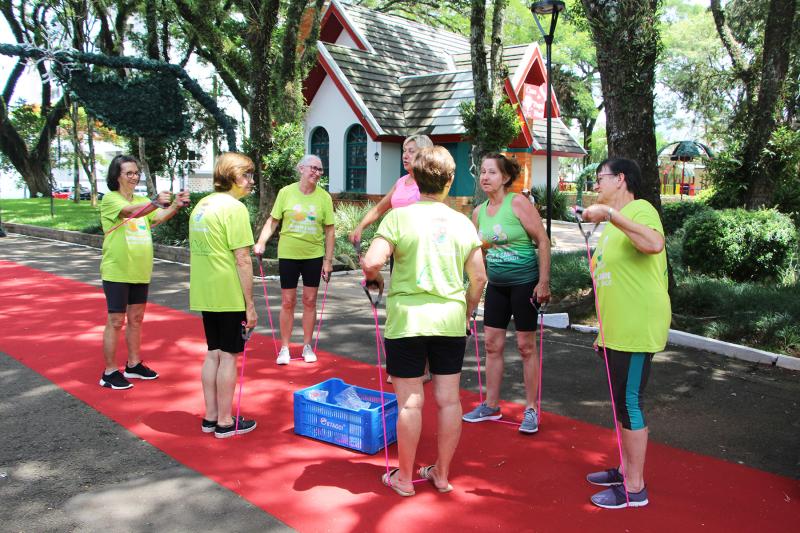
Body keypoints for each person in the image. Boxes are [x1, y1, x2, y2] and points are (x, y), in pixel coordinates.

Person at [362, 146, 487, 496]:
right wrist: (468, 310)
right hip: (449, 321)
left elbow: (372, 261)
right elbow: (478, 277)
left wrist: (376, 278)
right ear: (449, 181)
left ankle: (404, 478)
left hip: (408, 321)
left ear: (415, 179)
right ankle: (442, 474)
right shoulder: (462, 222)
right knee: (449, 400)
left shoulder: (400, 217)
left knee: (410, 402)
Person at [578, 158, 671, 509]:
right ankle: (624, 468)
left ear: (620, 179)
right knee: (621, 402)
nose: (596, 185)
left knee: (630, 403)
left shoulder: (640, 209)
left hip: (637, 327)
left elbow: (654, 244)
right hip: (617, 330)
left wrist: (611, 215)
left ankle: (635, 487)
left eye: (600, 178)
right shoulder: (614, 227)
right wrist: (603, 333)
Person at [462, 153, 551, 434]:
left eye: (492, 172)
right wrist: (473, 292)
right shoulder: (478, 212)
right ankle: (490, 405)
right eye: (483, 172)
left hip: (525, 284)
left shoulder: (518, 203)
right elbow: (478, 254)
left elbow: (543, 241)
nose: (485, 177)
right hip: (497, 287)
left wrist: (544, 282)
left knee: (526, 347)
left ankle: (531, 410)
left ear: (505, 178)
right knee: (492, 345)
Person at [349, 134, 434, 383]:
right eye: (404, 151)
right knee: (399, 306)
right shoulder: (402, 182)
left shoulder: (429, 185)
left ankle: (425, 367)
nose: (405, 155)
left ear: (424, 154)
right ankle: (405, 364)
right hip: (398, 251)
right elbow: (379, 208)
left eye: (411, 151)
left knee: (419, 306)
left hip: (421, 252)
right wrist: (359, 226)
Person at [99, 155, 189, 390]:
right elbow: (131, 212)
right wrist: (155, 202)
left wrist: (175, 205)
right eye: (129, 173)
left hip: (140, 270)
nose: (134, 176)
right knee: (116, 320)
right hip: (117, 270)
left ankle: (134, 364)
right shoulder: (111, 199)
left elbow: (156, 218)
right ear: (117, 176)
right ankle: (109, 372)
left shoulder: (141, 199)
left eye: (136, 172)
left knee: (136, 320)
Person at [189, 152, 259, 438]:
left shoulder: (202, 205)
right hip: (227, 290)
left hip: (206, 288)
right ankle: (226, 422)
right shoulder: (234, 208)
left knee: (214, 352)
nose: (251, 181)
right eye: (247, 175)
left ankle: (211, 416)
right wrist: (250, 305)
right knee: (229, 355)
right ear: (231, 176)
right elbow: (243, 259)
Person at [254, 154, 335, 365]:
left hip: (313, 255)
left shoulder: (324, 197)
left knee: (309, 301)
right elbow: (273, 220)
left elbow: (329, 230)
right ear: (301, 168)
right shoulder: (286, 193)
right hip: (288, 253)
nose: (317, 173)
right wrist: (262, 241)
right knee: (288, 301)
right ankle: (284, 348)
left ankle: (307, 345)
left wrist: (328, 260)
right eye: (313, 168)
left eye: (320, 170)